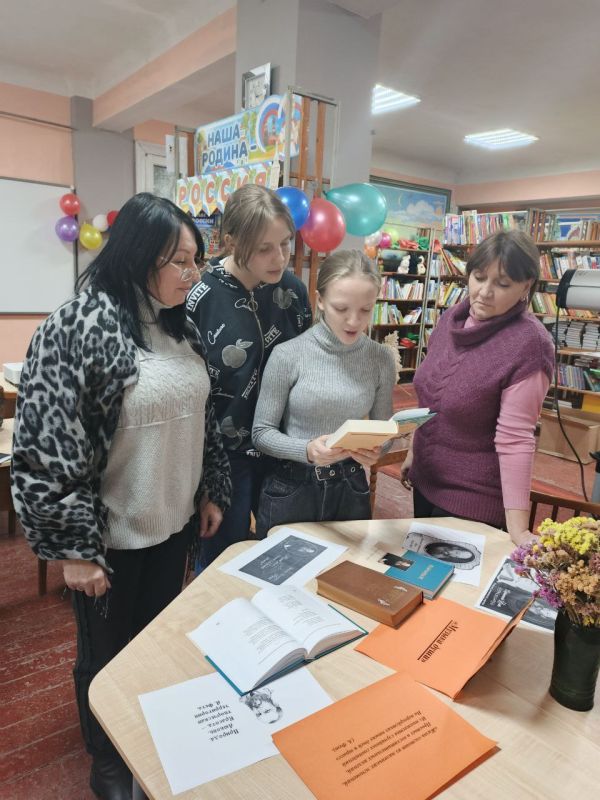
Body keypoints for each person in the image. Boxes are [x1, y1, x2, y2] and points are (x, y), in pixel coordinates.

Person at [11, 193, 231, 800]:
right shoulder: (77, 326)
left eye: (196, 259)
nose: (193, 274)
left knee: (153, 646)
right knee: (104, 658)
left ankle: (145, 736)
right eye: (179, 261)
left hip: (173, 526)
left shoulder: (181, 327)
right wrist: (73, 550)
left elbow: (204, 418)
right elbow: (46, 447)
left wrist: (210, 489)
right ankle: (107, 759)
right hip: (109, 540)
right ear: (138, 255)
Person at [401, 229, 554, 547]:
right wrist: (414, 452)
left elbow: (516, 440)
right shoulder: (451, 320)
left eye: (502, 284)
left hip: (472, 500)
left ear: (526, 286)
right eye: (479, 277)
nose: (484, 292)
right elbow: (430, 396)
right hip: (426, 481)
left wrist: (518, 530)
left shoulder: (529, 344)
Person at [186, 184, 312, 566]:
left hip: (282, 446)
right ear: (231, 241)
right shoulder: (200, 296)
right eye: (264, 248)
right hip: (225, 457)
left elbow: (307, 364)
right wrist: (207, 479)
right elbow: (190, 393)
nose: (280, 258)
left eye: (286, 243)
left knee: (284, 554)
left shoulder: (292, 291)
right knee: (222, 561)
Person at [252, 249, 397, 536]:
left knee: (349, 564)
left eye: (365, 310)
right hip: (293, 487)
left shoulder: (380, 358)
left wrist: (376, 450)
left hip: (351, 487)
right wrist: (307, 450)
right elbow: (261, 433)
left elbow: (386, 432)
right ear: (320, 301)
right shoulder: (288, 355)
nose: (354, 321)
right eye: (341, 309)